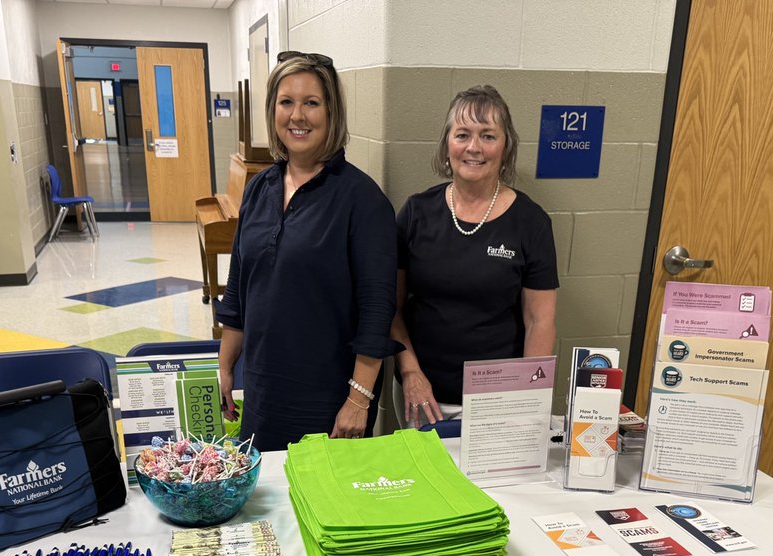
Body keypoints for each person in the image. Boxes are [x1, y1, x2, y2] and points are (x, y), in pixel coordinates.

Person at [215, 51, 398, 451]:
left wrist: (358, 399)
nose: (297, 116)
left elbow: (376, 312)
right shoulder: (259, 189)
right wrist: (226, 366)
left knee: (323, 505)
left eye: (311, 103)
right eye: (287, 102)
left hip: (329, 397)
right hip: (264, 388)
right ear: (273, 110)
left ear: (331, 113)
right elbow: (238, 288)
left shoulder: (362, 200)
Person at [391, 85, 558, 426]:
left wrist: (525, 400)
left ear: (505, 146)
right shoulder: (415, 213)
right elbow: (390, 309)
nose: (474, 148)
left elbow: (539, 321)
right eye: (463, 134)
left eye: (488, 136)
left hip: (497, 401)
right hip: (420, 393)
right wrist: (410, 372)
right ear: (447, 143)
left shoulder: (531, 222)